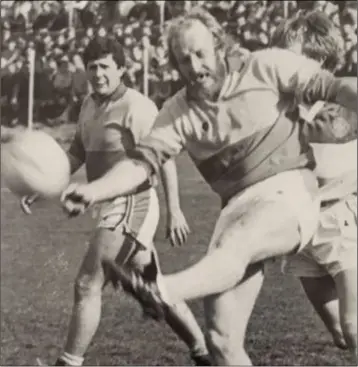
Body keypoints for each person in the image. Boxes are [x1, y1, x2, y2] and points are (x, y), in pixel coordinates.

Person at [60, 7, 357, 365]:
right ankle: (164, 293)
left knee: (239, 245)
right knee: (220, 338)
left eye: (200, 53)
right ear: (174, 64)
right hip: (236, 208)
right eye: (184, 59)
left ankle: (163, 291)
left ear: (218, 44)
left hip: (290, 190)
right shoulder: (177, 110)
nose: (195, 65)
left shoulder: (265, 65)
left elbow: (335, 87)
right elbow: (141, 164)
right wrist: (94, 191)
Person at [26, 37, 209, 366]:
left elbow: (162, 159)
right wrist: (44, 184)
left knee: (87, 282)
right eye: (92, 67)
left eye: (105, 67)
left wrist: (175, 211)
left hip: (132, 201)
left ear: (122, 69)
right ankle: (204, 353)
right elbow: (76, 154)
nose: (98, 74)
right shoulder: (89, 105)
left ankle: (68, 363)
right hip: (107, 204)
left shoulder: (137, 107)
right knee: (156, 288)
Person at [270, 10, 357, 357]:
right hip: (300, 229)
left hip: (342, 221)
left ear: (319, 58)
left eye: (292, 56)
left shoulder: (347, 102)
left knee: (353, 326)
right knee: (339, 332)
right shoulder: (276, 107)